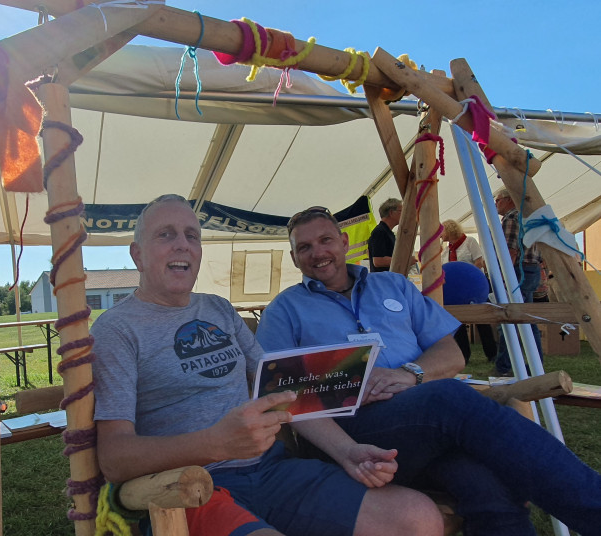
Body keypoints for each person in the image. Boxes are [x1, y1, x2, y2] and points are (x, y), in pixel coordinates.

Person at [91, 194, 443, 536]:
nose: (182, 244)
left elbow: (284, 392)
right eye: (165, 234)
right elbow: (115, 458)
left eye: (192, 235)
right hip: (189, 488)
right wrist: (213, 444)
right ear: (137, 254)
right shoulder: (117, 329)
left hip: (272, 471)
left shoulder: (218, 309)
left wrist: (347, 452)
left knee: (418, 518)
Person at [255, 205, 601, 536]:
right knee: (449, 397)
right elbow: (281, 394)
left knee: (487, 486)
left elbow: (451, 353)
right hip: (347, 431)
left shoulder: (394, 286)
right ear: (294, 258)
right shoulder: (285, 309)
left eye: (325, 240)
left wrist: (410, 374)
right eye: (305, 247)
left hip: (423, 426)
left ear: (344, 243)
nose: (317, 252)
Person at [493, 189, 544, 376]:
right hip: (531, 269)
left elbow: (510, 251)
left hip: (517, 271)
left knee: (509, 318)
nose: (496, 203)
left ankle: (505, 366)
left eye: (497, 200)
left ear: (507, 200)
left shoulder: (511, 217)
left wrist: (503, 276)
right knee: (528, 320)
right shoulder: (528, 216)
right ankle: (535, 366)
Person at [440, 219, 497, 363]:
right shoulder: (446, 250)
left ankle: (491, 353)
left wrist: (467, 277)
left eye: (442, 231)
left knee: (481, 321)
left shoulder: (470, 242)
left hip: (473, 287)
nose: (440, 235)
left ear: (450, 230)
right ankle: (464, 355)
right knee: (458, 322)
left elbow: (479, 262)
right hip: (456, 292)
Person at [367, 198, 401, 272]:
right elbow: (378, 261)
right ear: (391, 213)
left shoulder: (387, 232)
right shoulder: (379, 232)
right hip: (383, 281)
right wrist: (403, 260)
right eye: (400, 211)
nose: (403, 214)